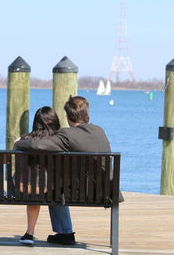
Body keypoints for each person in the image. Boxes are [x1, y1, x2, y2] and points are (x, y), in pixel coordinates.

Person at [14, 96, 111, 245]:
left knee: (54, 187)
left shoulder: (68, 134)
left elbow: (40, 145)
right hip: (105, 191)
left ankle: (61, 232)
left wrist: (20, 142)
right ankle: (65, 232)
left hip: (77, 193)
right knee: (56, 183)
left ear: (68, 116)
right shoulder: (99, 131)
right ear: (86, 114)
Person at [13, 106, 61, 245]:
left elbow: (14, 149)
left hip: (22, 188)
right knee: (43, 183)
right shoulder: (58, 141)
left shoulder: (23, 140)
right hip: (49, 190)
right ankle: (64, 231)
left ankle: (30, 233)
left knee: (33, 184)